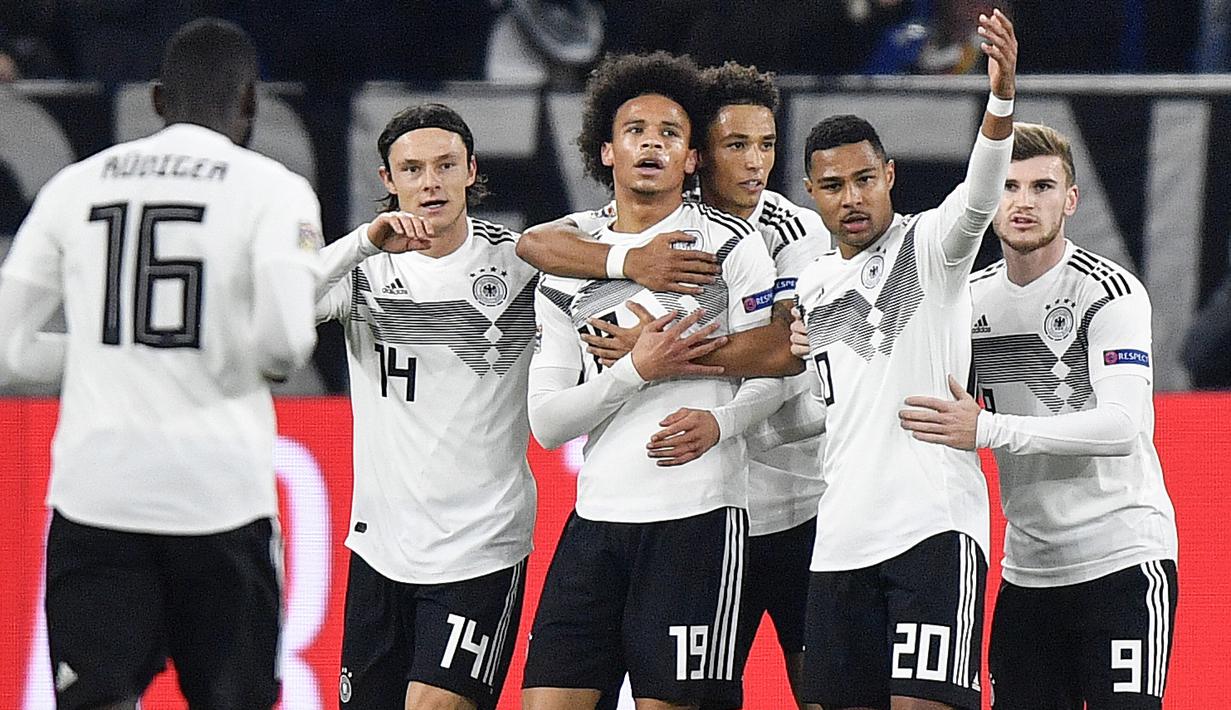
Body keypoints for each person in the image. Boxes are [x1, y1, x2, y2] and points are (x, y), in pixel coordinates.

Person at [0, 18, 319, 708]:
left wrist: (101, 355)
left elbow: (8, 350)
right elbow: (284, 344)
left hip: (98, 499)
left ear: (154, 100)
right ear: (248, 104)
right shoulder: (273, 189)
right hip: (220, 499)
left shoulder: (74, 187)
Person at [523, 61, 829, 710]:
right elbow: (548, 423)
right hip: (596, 517)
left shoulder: (740, 245)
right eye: (635, 129)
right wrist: (637, 368)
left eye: (669, 132)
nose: (652, 143)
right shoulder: (570, 259)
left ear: (688, 159)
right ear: (606, 150)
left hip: (708, 514)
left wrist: (705, 402)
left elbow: (783, 355)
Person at [896, 122, 1179, 709]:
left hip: (1123, 560)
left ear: (1071, 200)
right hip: (1027, 572)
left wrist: (989, 429)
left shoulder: (1109, 292)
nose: (1024, 202)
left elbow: (1126, 425)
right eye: (1009, 185)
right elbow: (894, 370)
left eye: (1043, 187)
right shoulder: (966, 299)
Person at [788, 9, 1017, 709]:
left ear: (888, 175)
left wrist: (1001, 97)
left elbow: (980, 194)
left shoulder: (930, 248)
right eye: (833, 186)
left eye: (864, 179)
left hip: (930, 530)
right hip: (838, 544)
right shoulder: (810, 287)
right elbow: (830, 410)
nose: (851, 198)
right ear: (811, 194)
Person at [314, 103, 537, 710]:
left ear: (471, 171)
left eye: (445, 165)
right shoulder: (362, 270)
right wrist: (362, 241)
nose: (430, 182)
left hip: (480, 546)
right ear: (388, 181)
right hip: (380, 548)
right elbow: (278, 306)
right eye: (412, 169)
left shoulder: (520, 266)